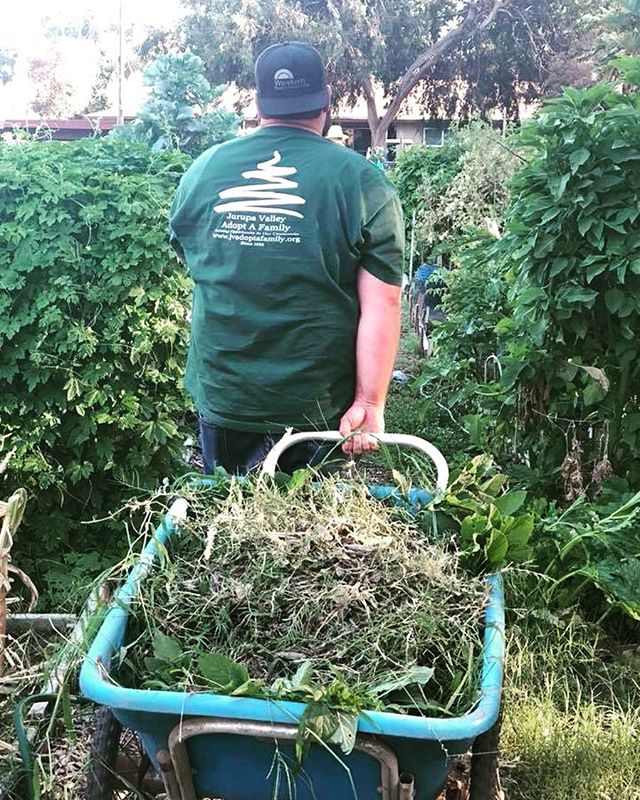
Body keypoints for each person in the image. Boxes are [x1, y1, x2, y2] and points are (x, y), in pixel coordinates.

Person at [169, 41, 403, 474]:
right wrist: (369, 402)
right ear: (326, 101)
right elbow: (383, 302)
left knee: (230, 520)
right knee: (309, 532)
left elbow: (195, 262)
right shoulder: (362, 182)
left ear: (260, 103)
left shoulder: (202, 171)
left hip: (227, 395)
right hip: (318, 407)